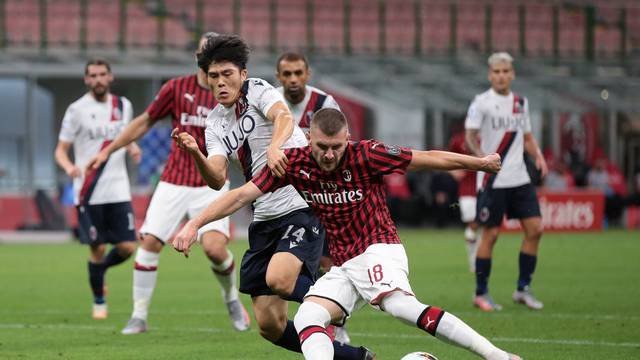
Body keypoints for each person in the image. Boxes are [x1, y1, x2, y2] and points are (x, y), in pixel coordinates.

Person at [171, 108, 521, 360]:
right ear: (310, 139)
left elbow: (426, 158)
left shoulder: (367, 154)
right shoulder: (294, 163)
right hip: (343, 263)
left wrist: (479, 163)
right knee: (308, 316)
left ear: (347, 140)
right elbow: (241, 194)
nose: (328, 155)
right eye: (321, 146)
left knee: (399, 306)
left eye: (336, 147)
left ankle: (497, 356)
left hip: (378, 249)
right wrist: (194, 223)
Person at [173, 34, 371, 359]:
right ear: (206, 79)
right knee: (270, 324)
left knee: (279, 279)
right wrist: (196, 153)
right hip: (264, 212)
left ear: (243, 74)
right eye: (214, 76)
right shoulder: (215, 123)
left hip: (300, 202)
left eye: (227, 74)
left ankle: (342, 295)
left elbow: (283, 116)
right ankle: (354, 357)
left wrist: (275, 145)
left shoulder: (258, 90)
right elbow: (217, 177)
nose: (221, 82)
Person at [86, 32, 249, 334]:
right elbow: (145, 121)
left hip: (211, 183)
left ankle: (231, 299)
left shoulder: (233, 91)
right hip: (174, 180)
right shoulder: (176, 88)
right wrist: (110, 149)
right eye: (203, 53)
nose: (208, 59)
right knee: (148, 243)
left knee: (214, 249)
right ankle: (139, 315)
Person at [275, 52, 353, 343]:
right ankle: (330, 312)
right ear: (278, 77)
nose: (293, 79)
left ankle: (335, 320)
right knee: (289, 268)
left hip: (319, 193)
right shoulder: (270, 102)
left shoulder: (324, 103)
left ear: (307, 74)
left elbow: (342, 143)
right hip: (281, 195)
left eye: (298, 73)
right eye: (287, 74)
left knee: (329, 260)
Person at [54, 58, 140, 320]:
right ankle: (99, 300)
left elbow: (123, 136)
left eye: (103, 74)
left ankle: (99, 271)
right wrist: (69, 167)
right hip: (88, 190)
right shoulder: (76, 110)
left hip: (118, 189)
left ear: (110, 77)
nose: (98, 79)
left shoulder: (123, 106)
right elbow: (60, 150)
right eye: (93, 75)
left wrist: (131, 146)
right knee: (98, 247)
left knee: (127, 247)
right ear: (86, 80)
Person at [464, 52, 548, 312]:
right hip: (493, 179)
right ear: (490, 75)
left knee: (535, 229)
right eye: (496, 72)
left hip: (519, 178)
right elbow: (469, 136)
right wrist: (481, 160)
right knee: (491, 234)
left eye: (505, 71)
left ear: (512, 74)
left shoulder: (521, 103)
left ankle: (523, 289)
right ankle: (481, 293)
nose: (501, 76)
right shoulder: (481, 103)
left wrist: (539, 157)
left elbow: (528, 137)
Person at [448, 131, 480, 272]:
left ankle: (477, 259)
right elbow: (446, 158)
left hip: (483, 189)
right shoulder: (458, 140)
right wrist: (454, 172)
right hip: (466, 191)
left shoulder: (486, 137)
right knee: (472, 225)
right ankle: (474, 261)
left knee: (480, 226)